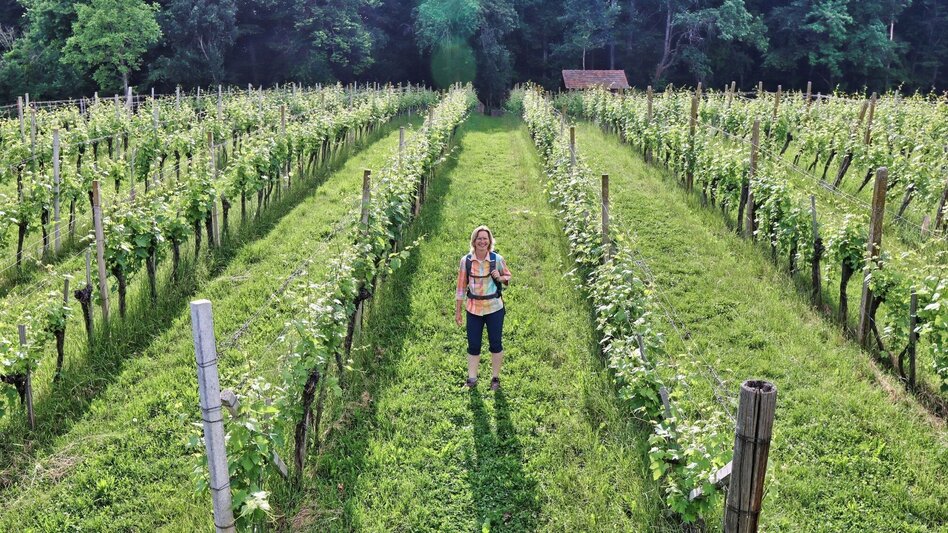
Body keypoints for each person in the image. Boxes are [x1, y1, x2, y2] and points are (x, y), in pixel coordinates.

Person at [455, 225, 512, 391]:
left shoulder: (497, 260)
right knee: (473, 345)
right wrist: (458, 311)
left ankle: (495, 378)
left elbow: (507, 276)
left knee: (496, 343)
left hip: (494, 308)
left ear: (489, 241)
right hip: (473, 309)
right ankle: (472, 379)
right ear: (473, 241)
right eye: (479, 238)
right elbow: (460, 288)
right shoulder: (465, 261)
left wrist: (499, 277)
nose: (482, 241)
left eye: (485, 238)